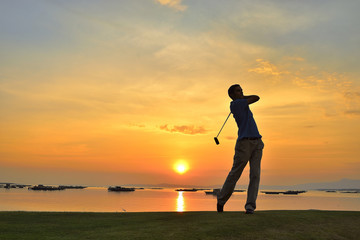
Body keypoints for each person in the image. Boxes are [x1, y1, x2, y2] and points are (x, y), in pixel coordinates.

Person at [217, 84, 264, 214]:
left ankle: (250, 207)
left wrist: (242, 97)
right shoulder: (235, 105)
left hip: (257, 142)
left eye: (242, 90)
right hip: (244, 144)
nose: (241, 92)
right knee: (235, 173)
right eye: (238, 91)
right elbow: (256, 97)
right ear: (232, 95)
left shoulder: (242, 102)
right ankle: (221, 200)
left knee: (255, 175)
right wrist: (243, 98)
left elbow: (256, 97)